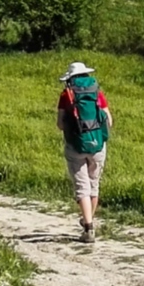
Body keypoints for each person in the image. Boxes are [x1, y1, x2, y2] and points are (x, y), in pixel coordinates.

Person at [56, 61, 111, 242]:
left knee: (82, 187)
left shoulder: (67, 94)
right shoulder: (97, 92)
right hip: (97, 145)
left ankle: (88, 228)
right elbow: (108, 121)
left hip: (75, 145)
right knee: (93, 184)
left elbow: (60, 124)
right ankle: (89, 221)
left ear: (70, 78)